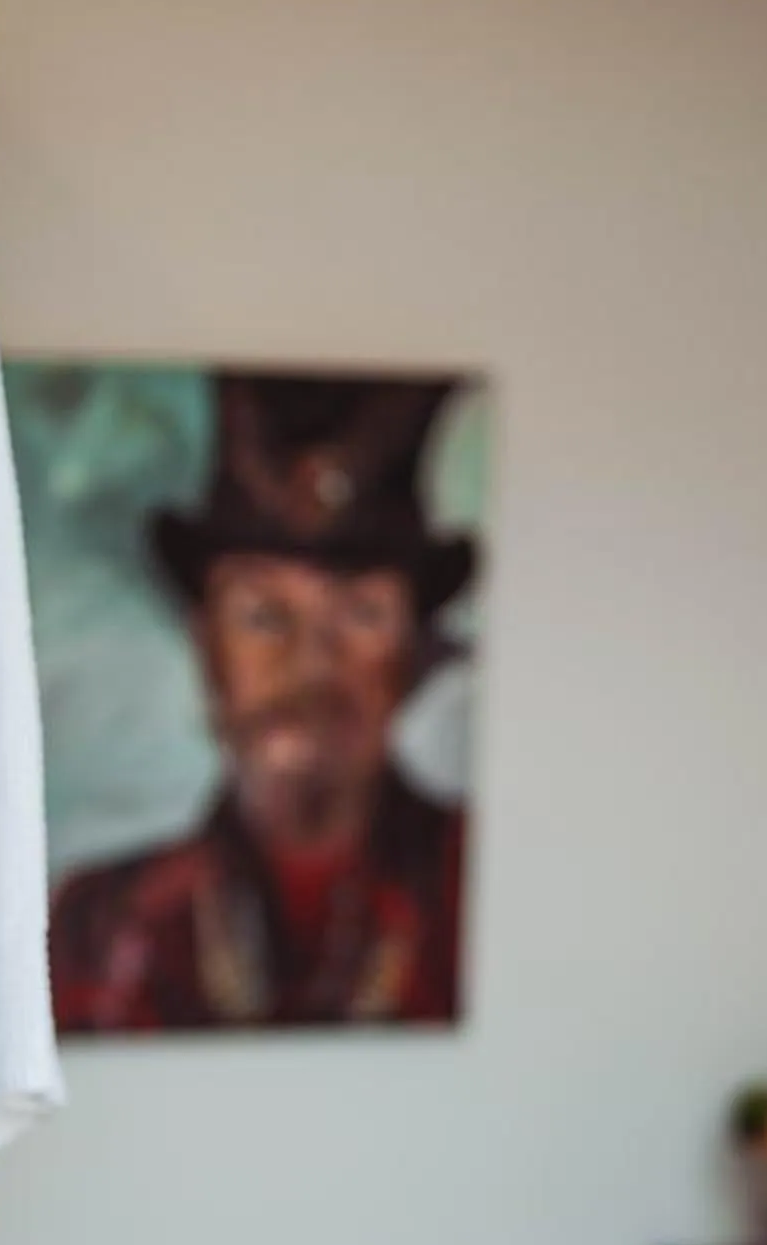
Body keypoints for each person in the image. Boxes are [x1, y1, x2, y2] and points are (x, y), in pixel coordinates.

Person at [50, 372, 477, 1031]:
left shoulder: (480, 887)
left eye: (362, 613)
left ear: (413, 649)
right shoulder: (104, 922)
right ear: (207, 646)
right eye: (262, 615)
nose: (312, 660)